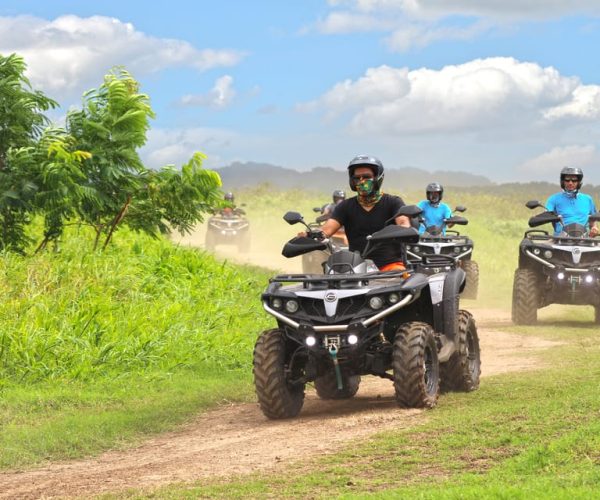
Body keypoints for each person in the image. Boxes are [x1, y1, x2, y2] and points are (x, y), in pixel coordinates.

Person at [316, 155, 411, 271]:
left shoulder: (393, 202)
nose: (361, 181)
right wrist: (311, 235)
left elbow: (403, 224)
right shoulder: (345, 206)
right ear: (352, 181)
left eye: (366, 177)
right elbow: (327, 229)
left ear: (377, 178)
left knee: (400, 278)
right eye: (357, 178)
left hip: (389, 266)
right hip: (355, 267)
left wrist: (403, 230)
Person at [545, 167, 598, 237]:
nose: (570, 183)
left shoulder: (588, 199)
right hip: (560, 240)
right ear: (562, 182)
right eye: (567, 180)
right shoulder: (553, 199)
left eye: (574, 180)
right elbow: (545, 214)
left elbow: (592, 220)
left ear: (579, 182)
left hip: (584, 239)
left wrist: (594, 228)